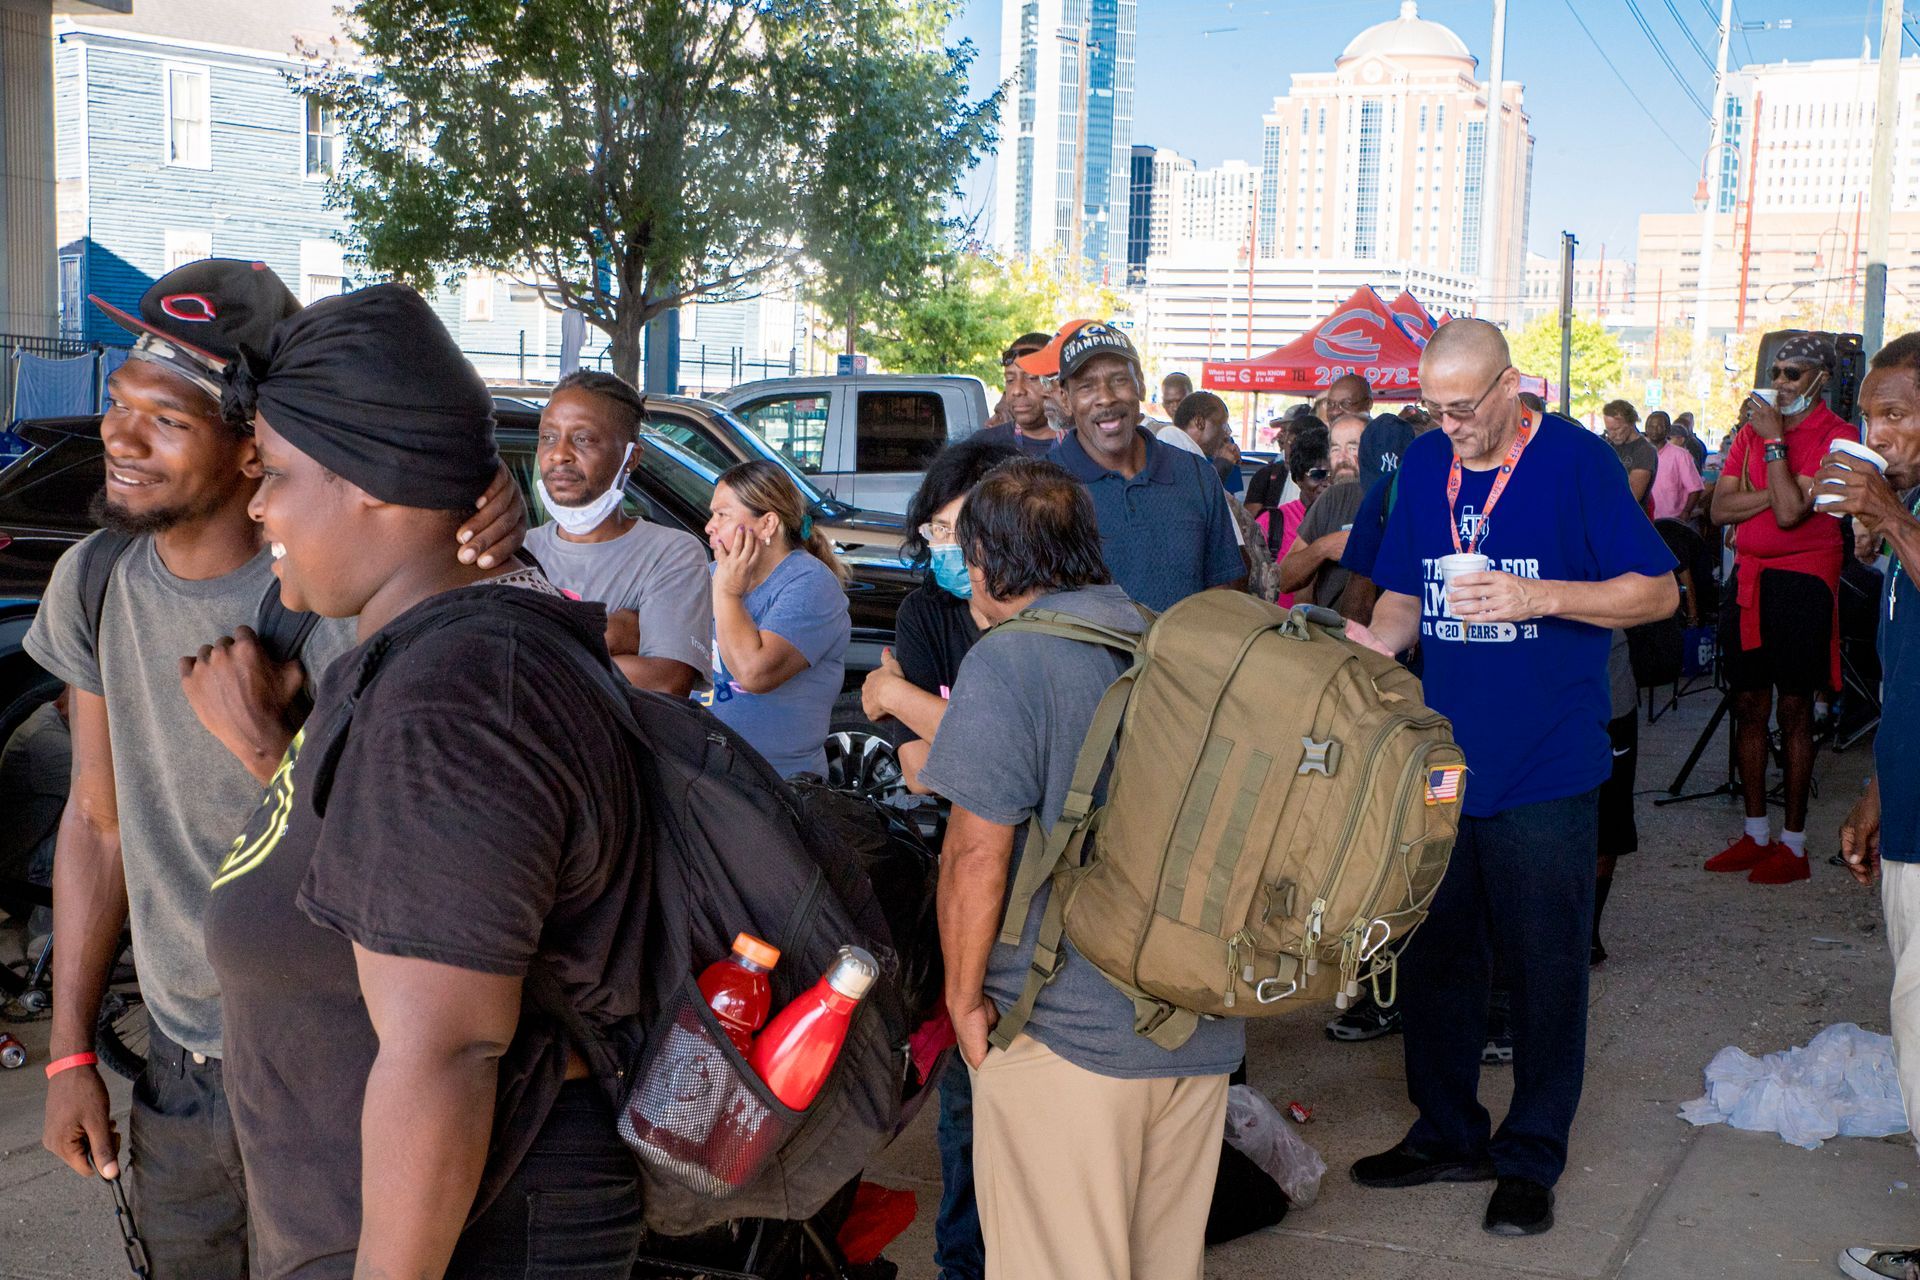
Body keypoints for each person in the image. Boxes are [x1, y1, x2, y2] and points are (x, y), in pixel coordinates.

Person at [25, 262, 523, 1280]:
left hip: (337, 1065)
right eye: (121, 403)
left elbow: (422, 862)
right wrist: (71, 1047)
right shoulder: (97, 579)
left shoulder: (348, 596)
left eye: (165, 420)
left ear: (256, 447)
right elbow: (95, 820)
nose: (119, 435)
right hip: (179, 1066)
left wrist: (271, 745)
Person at [202, 283, 646, 1280]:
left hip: (468, 1238)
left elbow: (446, 1049)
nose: (258, 504)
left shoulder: (457, 695)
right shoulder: (436, 658)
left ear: (375, 480)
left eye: (273, 472)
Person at [1353, 319, 1676, 1237]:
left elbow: (1657, 592)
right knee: (1435, 953)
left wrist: (1540, 595)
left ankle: (1530, 1155)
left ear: (1511, 386)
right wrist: (1371, 648)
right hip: (1446, 764)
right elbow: (1406, 594)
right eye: (1434, 409)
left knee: (1543, 971)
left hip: (1548, 766)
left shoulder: (1577, 462)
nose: (1449, 425)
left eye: (1464, 408)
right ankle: (1448, 1132)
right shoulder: (1422, 467)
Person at [922, 457, 1243, 1280]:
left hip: (1063, 1036)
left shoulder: (1010, 661)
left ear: (988, 562)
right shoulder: (1170, 643)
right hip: (1195, 1026)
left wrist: (963, 1003)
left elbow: (973, 857)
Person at [855, 437, 1016, 1280]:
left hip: (1038, 878)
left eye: (962, 533)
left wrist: (897, 698)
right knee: (963, 1090)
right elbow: (921, 769)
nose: (948, 553)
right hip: (964, 867)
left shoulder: (1042, 619)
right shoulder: (930, 616)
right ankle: (965, 1264)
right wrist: (911, 718)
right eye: (936, 534)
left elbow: (1002, 751)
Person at [1828, 332, 1920, 1280]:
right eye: (1870, 417)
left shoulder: (1906, 513)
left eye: (1896, 413)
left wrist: (1889, 517)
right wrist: (1874, 792)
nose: (1878, 433)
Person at [1707, 332, 1858, 882]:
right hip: (1750, 580)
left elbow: (1794, 516)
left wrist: (1774, 448)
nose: (1779, 382)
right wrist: (1787, 485)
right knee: (1748, 707)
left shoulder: (1838, 435)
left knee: (1795, 710)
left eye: (1792, 373)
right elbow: (1722, 508)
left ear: (1820, 378)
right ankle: (1755, 834)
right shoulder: (1750, 428)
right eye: (1776, 371)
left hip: (1804, 584)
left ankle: (1792, 844)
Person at [1014, 322, 1243, 610]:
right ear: (1065, 398)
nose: (1106, 397)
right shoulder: (1037, 490)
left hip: (1184, 654)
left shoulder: (1195, 475)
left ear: (1141, 386)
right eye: (1086, 385)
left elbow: (1221, 591)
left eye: (1119, 380)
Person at [526, 369, 710, 696]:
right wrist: (603, 638)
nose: (559, 454)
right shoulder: (520, 551)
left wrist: (533, 654)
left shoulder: (672, 554)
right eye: (548, 437)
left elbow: (667, 682)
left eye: (583, 438)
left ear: (630, 458)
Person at [704, 459, 852, 777]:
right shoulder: (714, 574)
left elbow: (754, 674)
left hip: (775, 785)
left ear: (767, 524)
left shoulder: (811, 583)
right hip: (708, 773)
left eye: (722, 515)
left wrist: (727, 594)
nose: (709, 526)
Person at [1277, 413, 1368, 610]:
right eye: (1335, 448)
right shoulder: (1331, 498)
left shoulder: (1394, 494)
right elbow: (1285, 579)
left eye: (1353, 447)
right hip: (1330, 634)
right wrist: (1324, 547)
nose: (1342, 458)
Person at [977, 333, 1061, 458]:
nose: (1017, 390)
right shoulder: (981, 447)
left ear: (1057, 382)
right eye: (1010, 380)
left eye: (1032, 378)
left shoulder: (1088, 445)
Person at [1333, 372, 1415, 491]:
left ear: (1368, 403)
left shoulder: (1389, 433)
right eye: (1332, 404)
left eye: (1346, 403)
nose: (1337, 410)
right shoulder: (1327, 443)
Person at [1243, 410, 1307, 520]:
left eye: (1287, 431)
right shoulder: (1267, 475)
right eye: (1282, 431)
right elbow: (1250, 523)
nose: (1280, 436)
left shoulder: (1322, 477)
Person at [1645, 410, 1706, 523]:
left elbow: (1696, 488)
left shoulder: (1681, 455)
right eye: (1651, 426)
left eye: (1659, 426)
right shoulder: (1640, 454)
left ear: (1668, 430)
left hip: (1672, 521)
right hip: (1644, 520)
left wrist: (1686, 512)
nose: (1654, 429)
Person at [1601, 400, 1658, 513]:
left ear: (1631, 423)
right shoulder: (1608, 446)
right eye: (1608, 430)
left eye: (1616, 429)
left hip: (1630, 517)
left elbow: (1633, 495)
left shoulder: (1645, 450)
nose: (1612, 435)